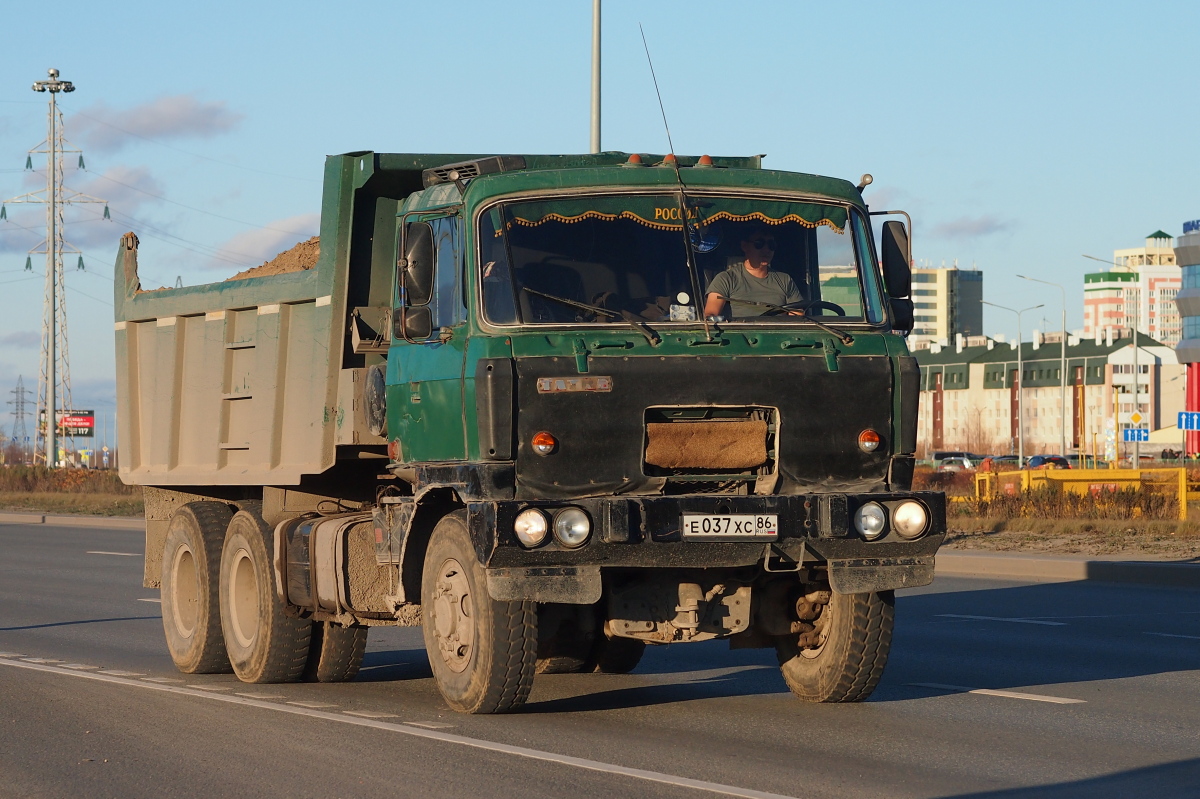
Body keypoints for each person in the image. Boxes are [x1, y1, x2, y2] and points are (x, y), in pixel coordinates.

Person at [703, 226, 803, 319]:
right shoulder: (726, 279)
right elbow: (711, 315)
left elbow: (798, 316)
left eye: (771, 245)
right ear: (744, 246)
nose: (766, 249)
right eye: (759, 244)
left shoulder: (785, 280)